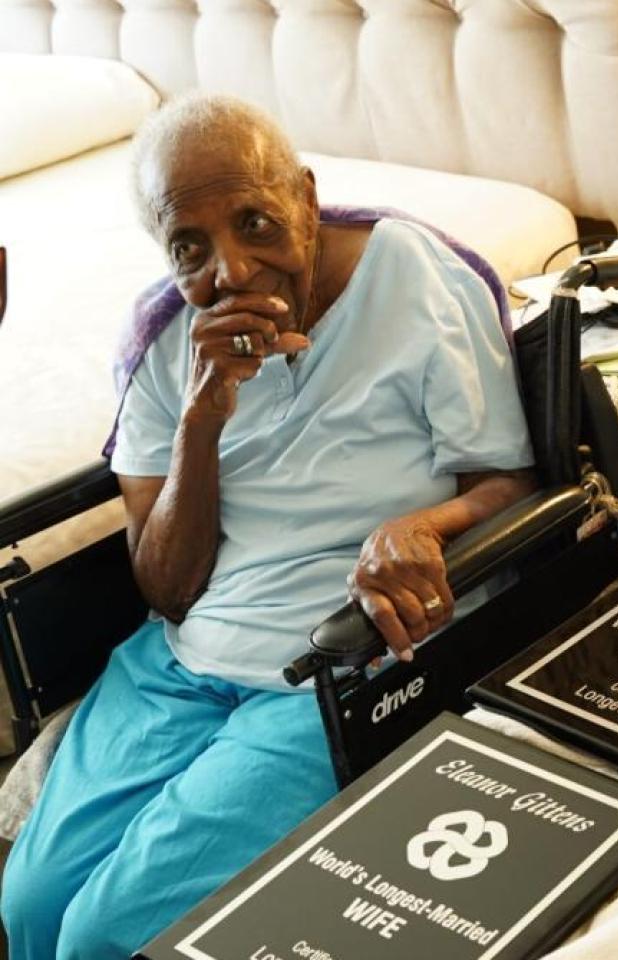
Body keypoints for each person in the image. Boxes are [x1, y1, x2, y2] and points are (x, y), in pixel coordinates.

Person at [0, 94, 536, 957]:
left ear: (307, 197)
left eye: (255, 222)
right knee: (29, 906)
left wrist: (425, 527)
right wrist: (201, 418)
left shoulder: (413, 276)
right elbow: (166, 589)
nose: (235, 270)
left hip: (339, 662)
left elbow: (508, 483)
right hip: (183, 664)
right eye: (190, 247)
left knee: (102, 935)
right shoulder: (162, 338)